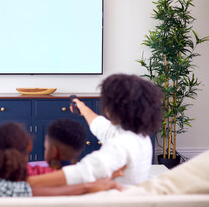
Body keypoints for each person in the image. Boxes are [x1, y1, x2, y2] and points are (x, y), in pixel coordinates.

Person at [28, 74, 162, 187]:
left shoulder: (120, 145)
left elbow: (83, 172)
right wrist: (82, 108)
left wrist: (26, 183)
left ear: (113, 108)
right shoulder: (138, 136)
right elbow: (102, 127)